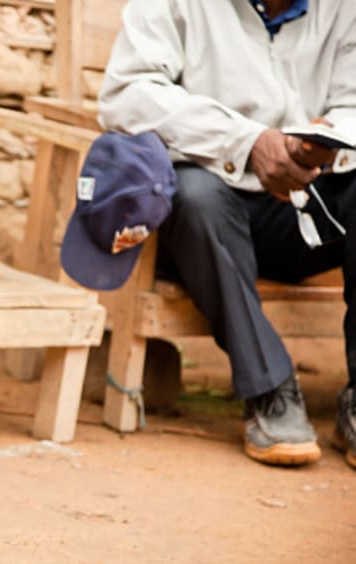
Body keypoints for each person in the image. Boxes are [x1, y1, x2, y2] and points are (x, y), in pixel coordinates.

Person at [97, 0, 356, 468]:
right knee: (195, 196)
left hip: (310, 207)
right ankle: (269, 388)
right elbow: (127, 94)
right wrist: (246, 141)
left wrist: (325, 138)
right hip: (209, 214)